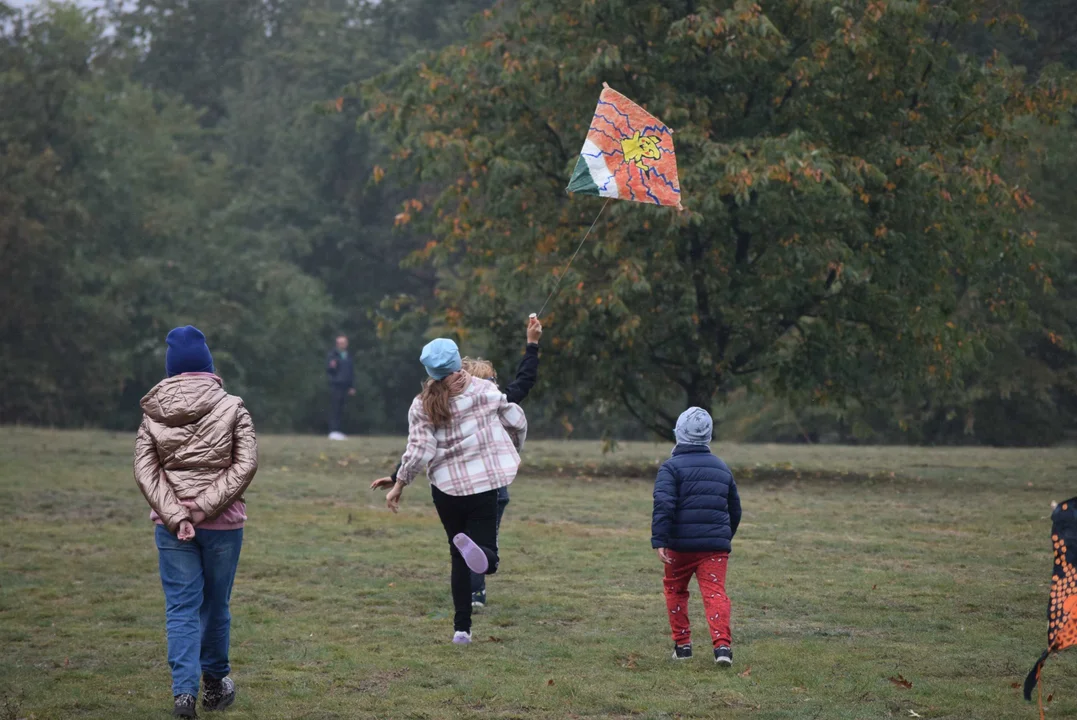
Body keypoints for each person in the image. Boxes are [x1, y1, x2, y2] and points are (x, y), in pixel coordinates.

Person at [375, 316, 543, 609]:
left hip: (451, 486)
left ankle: (471, 598)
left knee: (465, 542)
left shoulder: (429, 404)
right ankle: (478, 587)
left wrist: (398, 479)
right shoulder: (490, 396)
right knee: (484, 542)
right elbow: (525, 382)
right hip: (492, 483)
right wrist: (532, 344)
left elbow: (423, 447)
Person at [134, 325, 259, 717]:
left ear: (171, 368)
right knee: (216, 606)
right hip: (223, 523)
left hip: (171, 528)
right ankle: (215, 686)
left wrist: (176, 515)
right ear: (208, 364)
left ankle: (183, 694)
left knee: (181, 608)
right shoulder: (233, 405)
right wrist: (204, 510)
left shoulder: (152, 413)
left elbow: (145, 469)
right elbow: (246, 464)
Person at [651, 407, 741, 667]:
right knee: (715, 594)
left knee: (675, 590)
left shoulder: (670, 468)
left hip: (679, 547)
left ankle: (683, 645)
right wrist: (723, 537)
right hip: (714, 548)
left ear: (678, 434)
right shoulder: (722, 468)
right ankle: (722, 647)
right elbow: (734, 508)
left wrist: (661, 539)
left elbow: (664, 504)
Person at [326, 334, 356, 440]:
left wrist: (351, 386)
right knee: (335, 408)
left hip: (345, 385)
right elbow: (329, 370)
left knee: (342, 409)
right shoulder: (332, 355)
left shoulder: (348, 356)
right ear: (337, 344)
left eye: (344, 343)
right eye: (341, 343)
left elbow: (351, 372)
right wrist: (332, 366)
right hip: (336, 384)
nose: (343, 345)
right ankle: (333, 431)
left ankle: (339, 430)